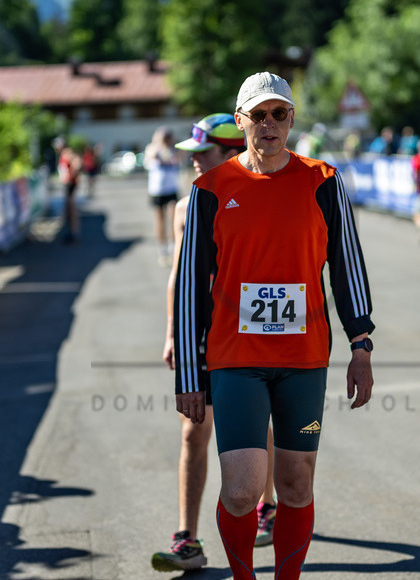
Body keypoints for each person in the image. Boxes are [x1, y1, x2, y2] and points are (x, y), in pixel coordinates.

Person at [174, 72, 375, 580]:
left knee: (296, 484)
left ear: (291, 120)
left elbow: (347, 267)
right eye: (258, 115)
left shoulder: (323, 180)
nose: (269, 124)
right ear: (240, 121)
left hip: (304, 362)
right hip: (235, 361)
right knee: (242, 491)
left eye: (279, 114)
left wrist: (361, 343)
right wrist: (189, 377)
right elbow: (190, 288)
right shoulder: (210, 190)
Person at [153, 113, 278, 572]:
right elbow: (177, 276)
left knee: (253, 418)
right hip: (202, 333)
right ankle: (187, 539)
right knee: (193, 429)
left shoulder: (263, 198)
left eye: (201, 155)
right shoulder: (187, 207)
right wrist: (172, 330)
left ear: (230, 152)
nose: (193, 164)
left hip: (245, 333)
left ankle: (268, 504)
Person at [145, 127, 180, 265]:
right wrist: (159, 141)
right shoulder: (152, 148)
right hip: (157, 190)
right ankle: (162, 249)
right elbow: (152, 155)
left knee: (173, 218)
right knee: (159, 220)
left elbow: (177, 159)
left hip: (171, 188)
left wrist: (170, 144)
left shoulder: (173, 149)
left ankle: (173, 248)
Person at [54, 137, 82, 243]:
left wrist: (72, 175)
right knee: (68, 209)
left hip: (70, 183)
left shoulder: (67, 153)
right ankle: (71, 232)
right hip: (68, 183)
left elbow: (77, 163)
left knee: (72, 208)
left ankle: (74, 233)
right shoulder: (63, 154)